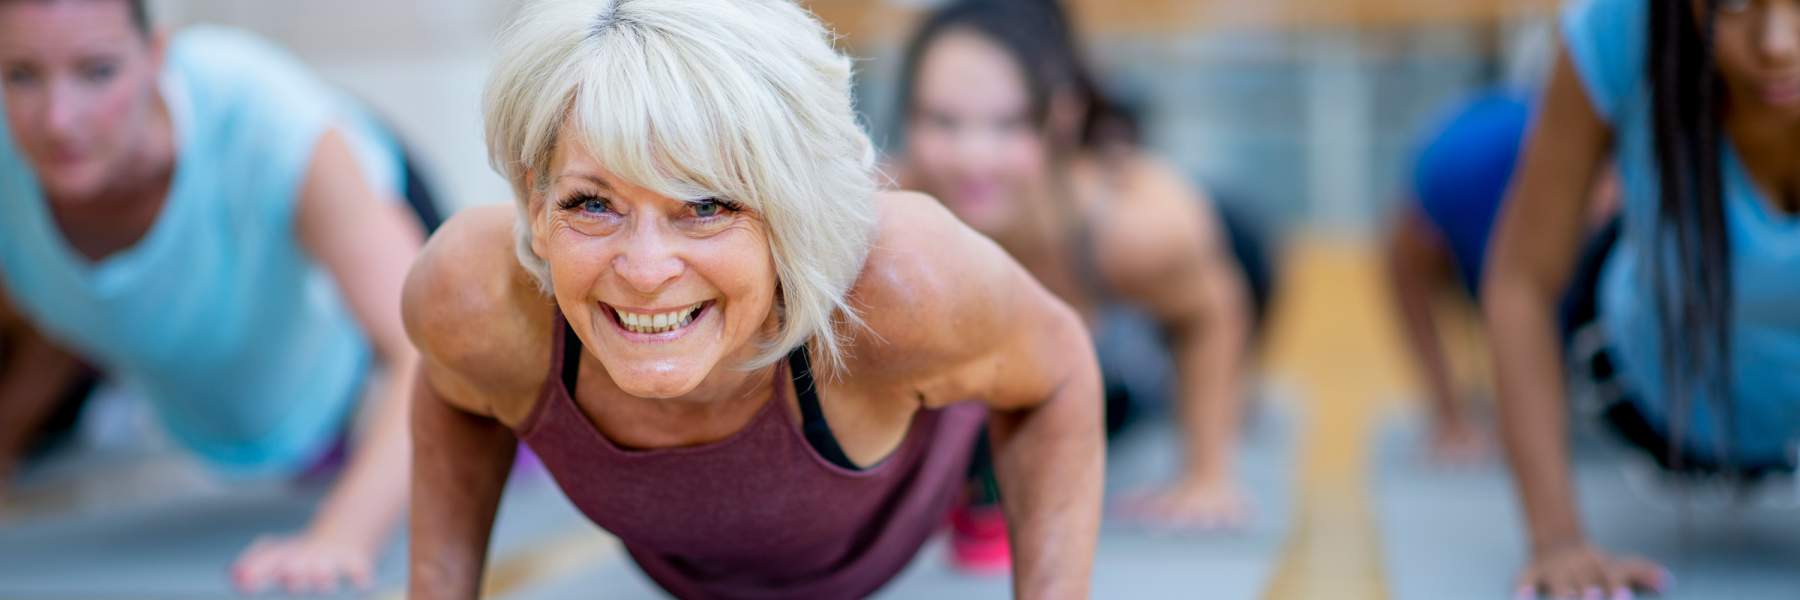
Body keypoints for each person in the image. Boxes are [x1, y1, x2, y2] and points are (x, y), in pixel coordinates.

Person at [403, 0, 1104, 598]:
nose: (645, 271)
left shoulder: (907, 281)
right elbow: (454, 387)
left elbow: (1060, 371)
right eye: (592, 203)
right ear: (536, 201)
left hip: (917, 466)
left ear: (791, 208)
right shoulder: (474, 292)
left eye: (706, 205)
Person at [0, 0, 433, 593]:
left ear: (156, 57)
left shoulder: (270, 122)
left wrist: (341, 538)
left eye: (98, 71)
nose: (58, 120)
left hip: (365, 241)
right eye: (21, 74)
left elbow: (422, 352)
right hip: (198, 342)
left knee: (468, 359)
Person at [891, 0, 1268, 537]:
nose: (973, 157)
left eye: (1009, 123)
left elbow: (1213, 312)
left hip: (1140, 345)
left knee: (1235, 237)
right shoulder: (885, 206)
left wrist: (1205, 475)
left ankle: (1245, 393)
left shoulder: (1130, 228)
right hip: (1009, 362)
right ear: (908, 117)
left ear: (1060, 118)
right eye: (942, 122)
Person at [1485, 0, 1800, 597]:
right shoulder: (1619, 27)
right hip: (1650, 391)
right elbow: (1520, 282)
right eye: (1734, 3)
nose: (1777, 45)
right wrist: (1557, 540)